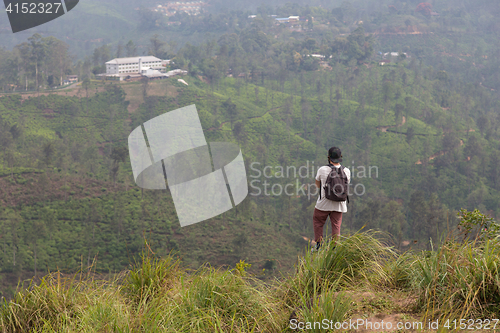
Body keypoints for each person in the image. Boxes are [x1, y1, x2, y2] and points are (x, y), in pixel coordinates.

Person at [312, 147, 351, 252]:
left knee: (318, 221)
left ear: (328, 157)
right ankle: (334, 248)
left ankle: (319, 245)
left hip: (324, 203)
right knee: (336, 225)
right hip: (339, 205)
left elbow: (317, 185)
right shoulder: (346, 171)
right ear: (340, 157)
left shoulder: (322, 170)